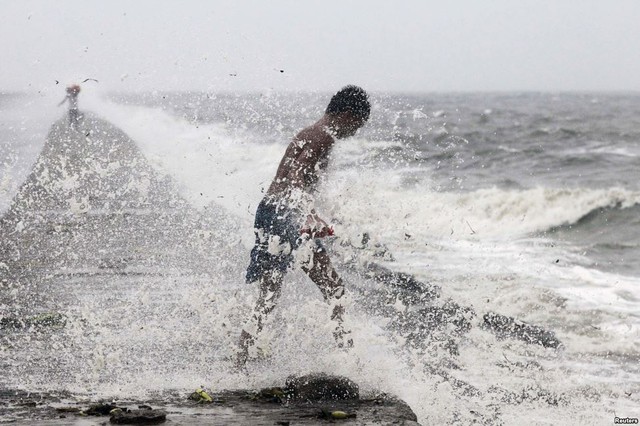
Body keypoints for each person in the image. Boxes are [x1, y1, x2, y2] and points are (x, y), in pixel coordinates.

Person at [236, 85, 371, 367]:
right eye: (357, 125)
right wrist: (308, 214)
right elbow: (296, 176)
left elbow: (294, 178)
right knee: (335, 289)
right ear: (347, 115)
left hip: (269, 210)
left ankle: (240, 361)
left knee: (269, 294)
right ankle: (352, 363)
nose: (355, 133)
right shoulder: (323, 136)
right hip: (288, 213)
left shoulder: (310, 132)